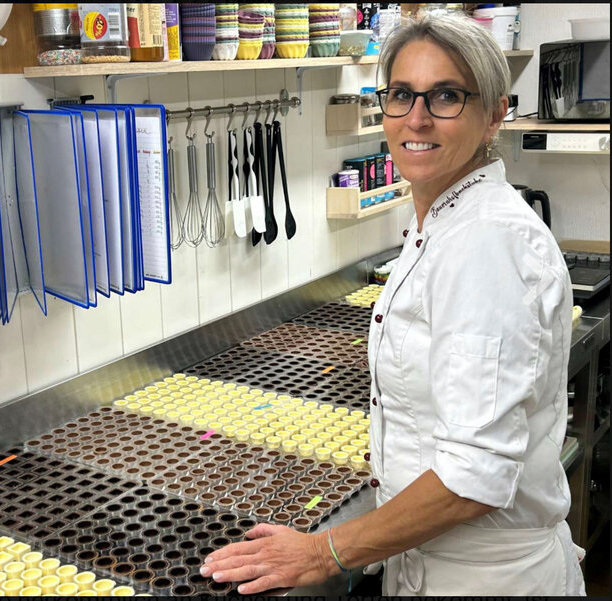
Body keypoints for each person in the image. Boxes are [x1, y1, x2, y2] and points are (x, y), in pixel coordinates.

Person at [199, 12, 586, 596]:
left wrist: (323, 550)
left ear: (495, 115)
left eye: (447, 96)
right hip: (427, 563)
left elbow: (473, 478)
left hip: (485, 580)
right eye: (402, 95)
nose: (417, 118)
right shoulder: (441, 221)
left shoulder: (489, 243)